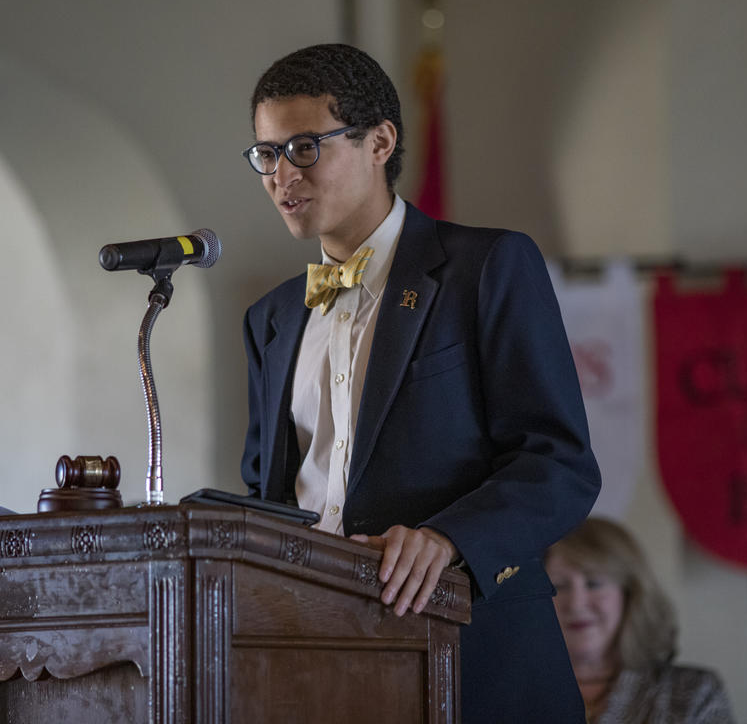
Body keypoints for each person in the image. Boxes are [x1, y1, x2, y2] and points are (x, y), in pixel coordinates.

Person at [239, 42, 600, 721]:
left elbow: (561, 465)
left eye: (305, 148)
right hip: (316, 664)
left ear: (381, 142)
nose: (281, 175)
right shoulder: (273, 317)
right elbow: (270, 495)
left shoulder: (486, 267)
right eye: (265, 154)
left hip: (475, 651)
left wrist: (448, 538)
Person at [544, 518, 736, 723]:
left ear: (630, 593)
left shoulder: (694, 693)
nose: (576, 603)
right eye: (560, 586)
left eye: (594, 583)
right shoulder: (512, 692)